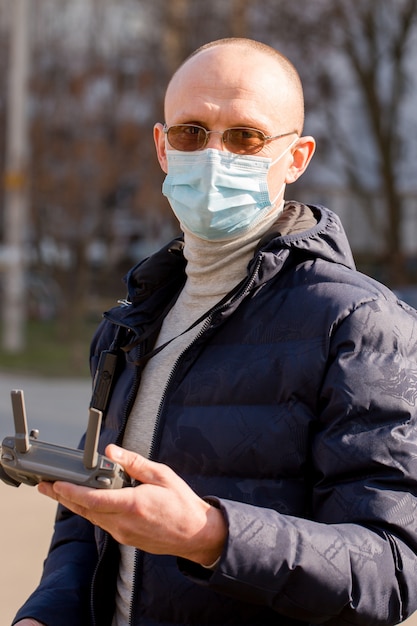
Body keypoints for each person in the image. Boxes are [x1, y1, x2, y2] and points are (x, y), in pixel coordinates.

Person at [13, 37, 417, 626]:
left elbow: (392, 571)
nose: (215, 155)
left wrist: (209, 535)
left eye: (246, 137)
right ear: (162, 146)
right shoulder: (134, 317)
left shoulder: (361, 326)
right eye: (191, 133)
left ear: (297, 157)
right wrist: (45, 615)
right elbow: (89, 521)